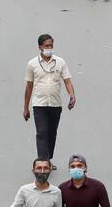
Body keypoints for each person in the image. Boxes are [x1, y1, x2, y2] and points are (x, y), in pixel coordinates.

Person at [23, 33, 76, 164]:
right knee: (41, 133)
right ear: (40, 47)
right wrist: (26, 108)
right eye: (46, 46)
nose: (49, 48)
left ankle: (48, 158)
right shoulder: (32, 64)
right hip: (39, 104)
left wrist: (72, 95)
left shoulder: (60, 62)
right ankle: (43, 162)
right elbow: (29, 86)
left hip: (55, 104)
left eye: (51, 45)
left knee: (51, 133)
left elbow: (67, 81)